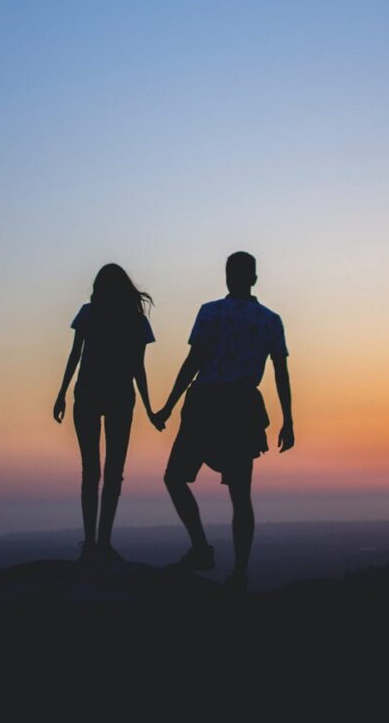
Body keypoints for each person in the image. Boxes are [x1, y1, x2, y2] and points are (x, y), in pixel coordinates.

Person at [153, 251, 294, 592]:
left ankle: (201, 548)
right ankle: (239, 572)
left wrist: (169, 406)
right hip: (241, 406)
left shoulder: (211, 312)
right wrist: (288, 420)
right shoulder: (269, 320)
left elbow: (192, 363)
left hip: (205, 402)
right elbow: (280, 373)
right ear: (255, 279)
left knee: (175, 477)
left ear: (228, 277)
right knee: (241, 495)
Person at [54, 263, 162, 563]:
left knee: (91, 472)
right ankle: (102, 542)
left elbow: (75, 355)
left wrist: (62, 393)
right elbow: (138, 369)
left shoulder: (89, 313)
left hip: (87, 395)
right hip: (119, 399)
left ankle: (92, 543)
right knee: (113, 473)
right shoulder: (136, 321)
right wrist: (150, 409)